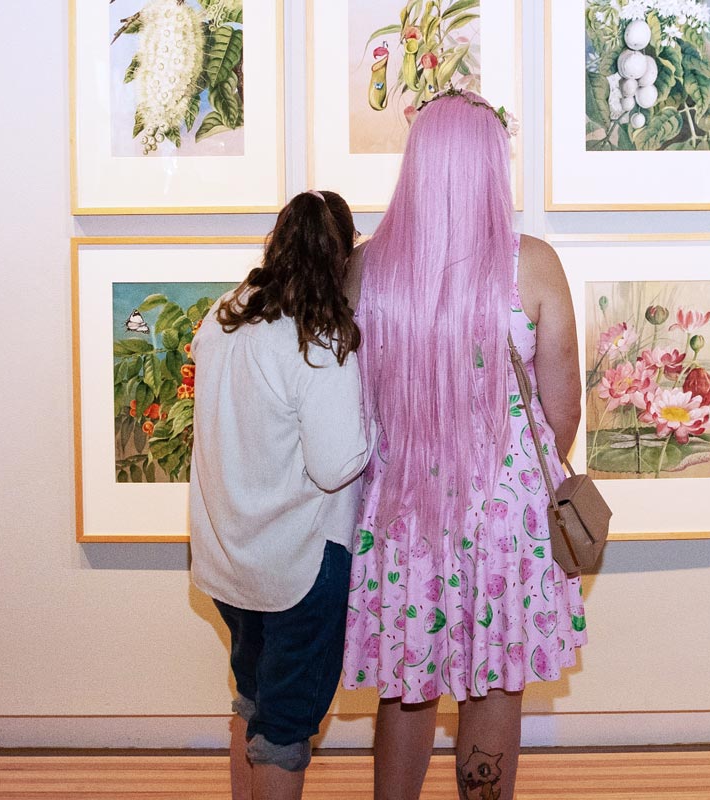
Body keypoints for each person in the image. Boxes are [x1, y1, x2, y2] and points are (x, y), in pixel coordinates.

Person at [341, 92, 588, 800]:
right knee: (495, 679)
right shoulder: (532, 266)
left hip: (402, 514)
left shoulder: (366, 270)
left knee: (407, 683)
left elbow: (350, 407)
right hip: (504, 516)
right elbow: (562, 415)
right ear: (489, 167)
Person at [189, 190, 374, 800]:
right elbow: (334, 465)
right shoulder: (318, 341)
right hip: (298, 565)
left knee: (252, 700)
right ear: (342, 254)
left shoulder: (222, 316)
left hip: (229, 559)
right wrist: (377, 421)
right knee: (286, 730)